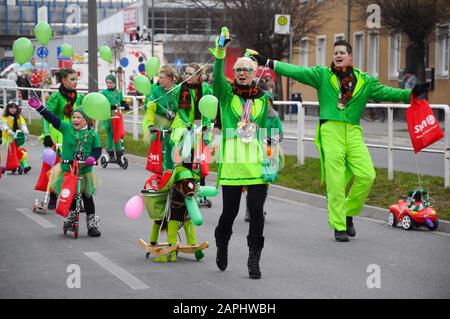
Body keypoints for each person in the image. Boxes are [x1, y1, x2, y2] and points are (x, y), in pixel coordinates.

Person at [249, 40, 430, 242]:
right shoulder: (322, 75)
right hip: (330, 130)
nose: (338, 55)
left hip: (353, 131)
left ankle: (348, 212)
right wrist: (268, 62)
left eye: (342, 52)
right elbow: (297, 71)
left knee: (367, 175)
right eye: (335, 52)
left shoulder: (364, 81)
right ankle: (339, 226)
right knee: (335, 180)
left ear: (350, 56)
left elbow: (387, 92)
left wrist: (411, 93)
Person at [210, 27, 273, 279]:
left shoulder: (262, 99)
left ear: (254, 73)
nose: (243, 73)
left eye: (247, 69)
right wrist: (220, 52)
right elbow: (216, 78)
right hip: (234, 162)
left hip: (257, 162)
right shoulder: (226, 96)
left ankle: (253, 258)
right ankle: (222, 242)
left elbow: (268, 131)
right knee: (230, 213)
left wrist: (270, 160)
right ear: (233, 74)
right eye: (238, 70)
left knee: (257, 211)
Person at [28, 98, 102, 237]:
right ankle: (70, 219)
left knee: (87, 198)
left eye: (78, 117)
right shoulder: (67, 128)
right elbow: (53, 119)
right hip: (69, 170)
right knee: (71, 197)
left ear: (86, 120)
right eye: (73, 117)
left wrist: (92, 158)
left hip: (84, 171)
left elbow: (97, 149)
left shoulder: (92, 134)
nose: (75, 119)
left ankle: (92, 226)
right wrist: (40, 108)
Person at [40, 69, 84, 210]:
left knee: (77, 165)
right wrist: (47, 134)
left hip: (74, 133)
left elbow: (85, 115)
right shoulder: (56, 97)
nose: (75, 82)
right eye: (72, 79)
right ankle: (53, 194)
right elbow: (46, 116)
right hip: (58, 133)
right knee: (59, 166)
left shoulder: (79, 96)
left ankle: (78, 197)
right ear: (64, 80)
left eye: (76, 79)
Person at [171, 63, 214, 206]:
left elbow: (208, 110)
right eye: (186, 73)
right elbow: (180, 111)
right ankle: (186, 190)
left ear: (198, 76)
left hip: (200, 126)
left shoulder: (206, 89)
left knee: (201, 162)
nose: (187, 77)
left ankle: (200, 191)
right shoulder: (180, 89)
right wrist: (188, 126)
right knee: (188, 161)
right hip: (185, 127)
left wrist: (205, 126)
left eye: (190, 74)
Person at [244, 91, 283, 222]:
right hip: (254, 150)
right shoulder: (254, 115)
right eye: (263, 102)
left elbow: (280, 134)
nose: (266, 104)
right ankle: (250, 209)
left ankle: (258, 208)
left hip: (269, 151)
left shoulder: (274, 117)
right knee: (253, 180)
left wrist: (270, 142)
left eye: (268, 102)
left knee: (265, 182)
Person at [142, 65, 178, 171]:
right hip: (159, 122)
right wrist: (150, 124)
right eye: (159, 77)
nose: (159, 80)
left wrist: (175, 125)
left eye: (162, 77)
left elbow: (181, 111)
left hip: (174, 122)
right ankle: (160, 173)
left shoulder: (177, 90)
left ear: (170, 79)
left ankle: (170, 173)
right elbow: (150, 110)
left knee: (171, 147)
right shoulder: (156, 91)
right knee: (159, 146)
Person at [100, 74, 129, 162]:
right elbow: (102, 103)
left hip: (117, 115)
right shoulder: (104, 93)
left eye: (110, 82)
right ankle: (110, 151)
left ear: (114, 83)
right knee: (111, 134)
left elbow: (121, 101)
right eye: (107, 82)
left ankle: (119, 152)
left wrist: (125, 104)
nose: (108, 84)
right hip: (108, 116)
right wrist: (110, 106)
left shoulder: (118, 92)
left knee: (118, 134)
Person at [1, 101, 31, 174]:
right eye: (11, 107)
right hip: (8, 138)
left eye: (14, 108)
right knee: (13, 152)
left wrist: (25, 131)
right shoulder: (5, 117)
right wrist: (10, 131)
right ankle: (16, 166)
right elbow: (4, 125)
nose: (12, 109)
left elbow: (23, 124)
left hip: (17, 137)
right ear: (8, 108)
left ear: (17, 109)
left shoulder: (19, 117)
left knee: (19, 151)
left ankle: (24, 166)